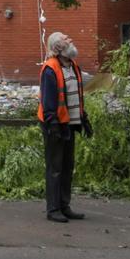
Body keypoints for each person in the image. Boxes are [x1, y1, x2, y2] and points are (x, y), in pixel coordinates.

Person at [37, 31, 92, 222]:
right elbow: (48, 101)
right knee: (55, 168)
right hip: (55, 126)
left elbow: (76, 95)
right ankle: (53, 210)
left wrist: (83, 119)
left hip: (68, 125)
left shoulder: (73, 66)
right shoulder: (50, 69)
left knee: (67, 166)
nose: (71, 41)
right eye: (66, 40)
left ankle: (64, 206)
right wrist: (53, 125)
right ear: (58, 48)